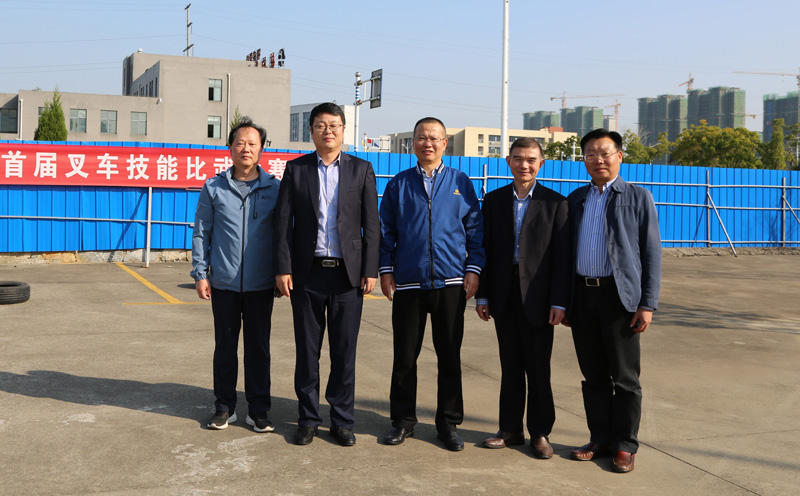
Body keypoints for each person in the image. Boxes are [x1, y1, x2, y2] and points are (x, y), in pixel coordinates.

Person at [274, 102, 380, 447]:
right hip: (307, 274)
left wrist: (370, 269)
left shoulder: (361, 170)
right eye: (321, 125)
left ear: (343, 130)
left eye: (334, 125)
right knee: (308, 352)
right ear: (312, 131)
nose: (328, 131)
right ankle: (308, 419)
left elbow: (372, 225)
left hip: (348, 277)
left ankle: (342, 421)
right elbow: (283, 223)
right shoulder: (296, 170)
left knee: (344, 353)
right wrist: (283, 268)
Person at [379, 117, 485, 452]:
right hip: (409, 282)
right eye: (422, 138)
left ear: (445, 143)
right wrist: (386, 270)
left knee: (449, 355)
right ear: (413, 143)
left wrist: (473, 269)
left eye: (434, 138)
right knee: (405, 356)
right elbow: (386, 232)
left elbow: (475, 229)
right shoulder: (399, 184)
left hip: (451, 282)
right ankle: (402, 421)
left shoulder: (460, 182)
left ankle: (448, 423)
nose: (428, 143)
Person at [564, 128, 661, 473]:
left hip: (620, 299)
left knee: (625, 378)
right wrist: (565, 301)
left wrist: (647, 304)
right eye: (590, 154)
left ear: (619, 156)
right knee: (593, 375)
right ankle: (600, 438)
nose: (598, 160)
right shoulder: (576, 199)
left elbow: (651, 253)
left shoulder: (638, 197)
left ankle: (624, 445)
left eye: (604, 153)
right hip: (582, 296)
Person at [474, 137, 570, 459]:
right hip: (503, 295)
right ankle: (510, 429)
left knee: (538, 369)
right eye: (518, 158)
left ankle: (540, 433)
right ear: (508, 161)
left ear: (541, 163)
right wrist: (483, 296)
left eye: (530, 159)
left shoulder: (556, 204)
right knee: (510, 366)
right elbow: (485, 250)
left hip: (539, 299)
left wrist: (559, 302)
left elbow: (562, 259)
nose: (524, 165)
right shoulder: (494, 201)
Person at [191, 118, 280, 433]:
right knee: (225, 348)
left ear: (261, 149)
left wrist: (282, 272)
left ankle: (258, 410)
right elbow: (201, 232)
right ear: (230, 148)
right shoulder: (214, 187)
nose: (246, 149)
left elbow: (284, 235)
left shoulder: (274, 188)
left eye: (252, 143)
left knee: (259, 350)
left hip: (261, 285)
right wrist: (200, 273)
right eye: (240, 143)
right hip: (224, 284)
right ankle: (224, 407)